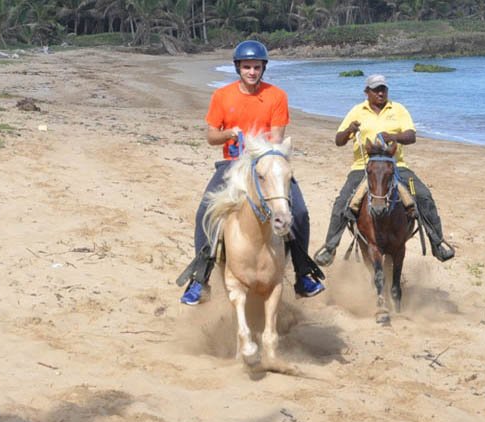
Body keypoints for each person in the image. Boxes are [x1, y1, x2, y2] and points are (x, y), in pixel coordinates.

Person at [178, 40, 326, 305]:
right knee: (205, 211)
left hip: (266, 164)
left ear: (263, 68)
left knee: (300, 211)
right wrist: (228, 133)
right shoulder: (222, 96)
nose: (252, 72)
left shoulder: (277, 96)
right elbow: (211, 136)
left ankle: (303, 273)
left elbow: (277, 138)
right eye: (247, 67)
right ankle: (200, 278)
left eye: (256, 67)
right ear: (238, 68)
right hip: (232, 165)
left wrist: (261, 158)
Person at [313, 74, 455, 267]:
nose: (380, 93)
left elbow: (411, 136)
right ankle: (330, 247)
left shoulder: (398, 109)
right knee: (342, 201)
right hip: (363, 167)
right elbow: (338, 140)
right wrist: (349, 131)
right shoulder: (357, 111)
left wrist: (393, 136)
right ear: (367, 92)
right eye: (376, 89)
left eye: (383, 89)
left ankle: (437, 243)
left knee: (423, 195)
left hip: (396, 166)